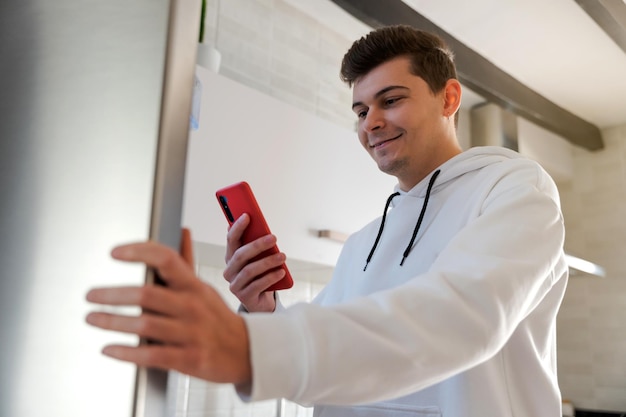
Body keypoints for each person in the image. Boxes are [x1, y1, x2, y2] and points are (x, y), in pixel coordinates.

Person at [86, 25, 568, 416]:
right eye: (360, 110)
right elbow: (323, 383)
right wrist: (263, 312)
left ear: (448, 98)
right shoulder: (363, 242)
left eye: (391, 100)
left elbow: (465, 317)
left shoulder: (513, 188)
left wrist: (246, 346)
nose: (370, 123)